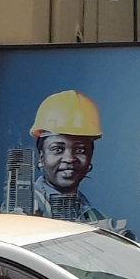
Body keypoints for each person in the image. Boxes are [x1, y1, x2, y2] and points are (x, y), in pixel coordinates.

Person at [25, 89, 103, 221]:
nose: (69, 159)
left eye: (80, 150)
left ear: (90, 157)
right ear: (41, 157)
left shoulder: (94, 217)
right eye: (57, 149)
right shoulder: (21, 211)